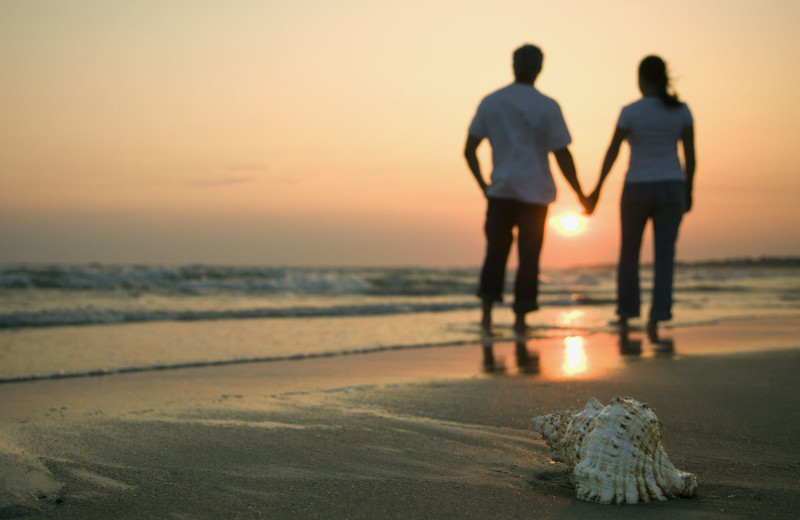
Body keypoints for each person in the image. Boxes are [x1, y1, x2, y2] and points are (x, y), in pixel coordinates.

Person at [464, 44, 588, 334]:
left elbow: (469, 150)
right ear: (539, 67)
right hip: (535, 192)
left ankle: (487, 315)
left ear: (513, 64)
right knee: (529, 256)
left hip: (501, 190)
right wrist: (581, 193)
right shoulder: (547, 105)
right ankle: (520, 318)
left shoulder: (492, 101)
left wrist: (484, 184)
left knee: (496, 252)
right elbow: (562, 154)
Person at [587, 55, 696, 342]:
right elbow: (691, 157)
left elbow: (612, 152)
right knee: (664, 257)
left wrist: (597, 188)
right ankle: (658, 316)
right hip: (672, 185)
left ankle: (626, 312)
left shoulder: (630, 111)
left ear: (641, 79)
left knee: (629, 254)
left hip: (637, 186)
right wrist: (689, 190)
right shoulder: (681, 110)